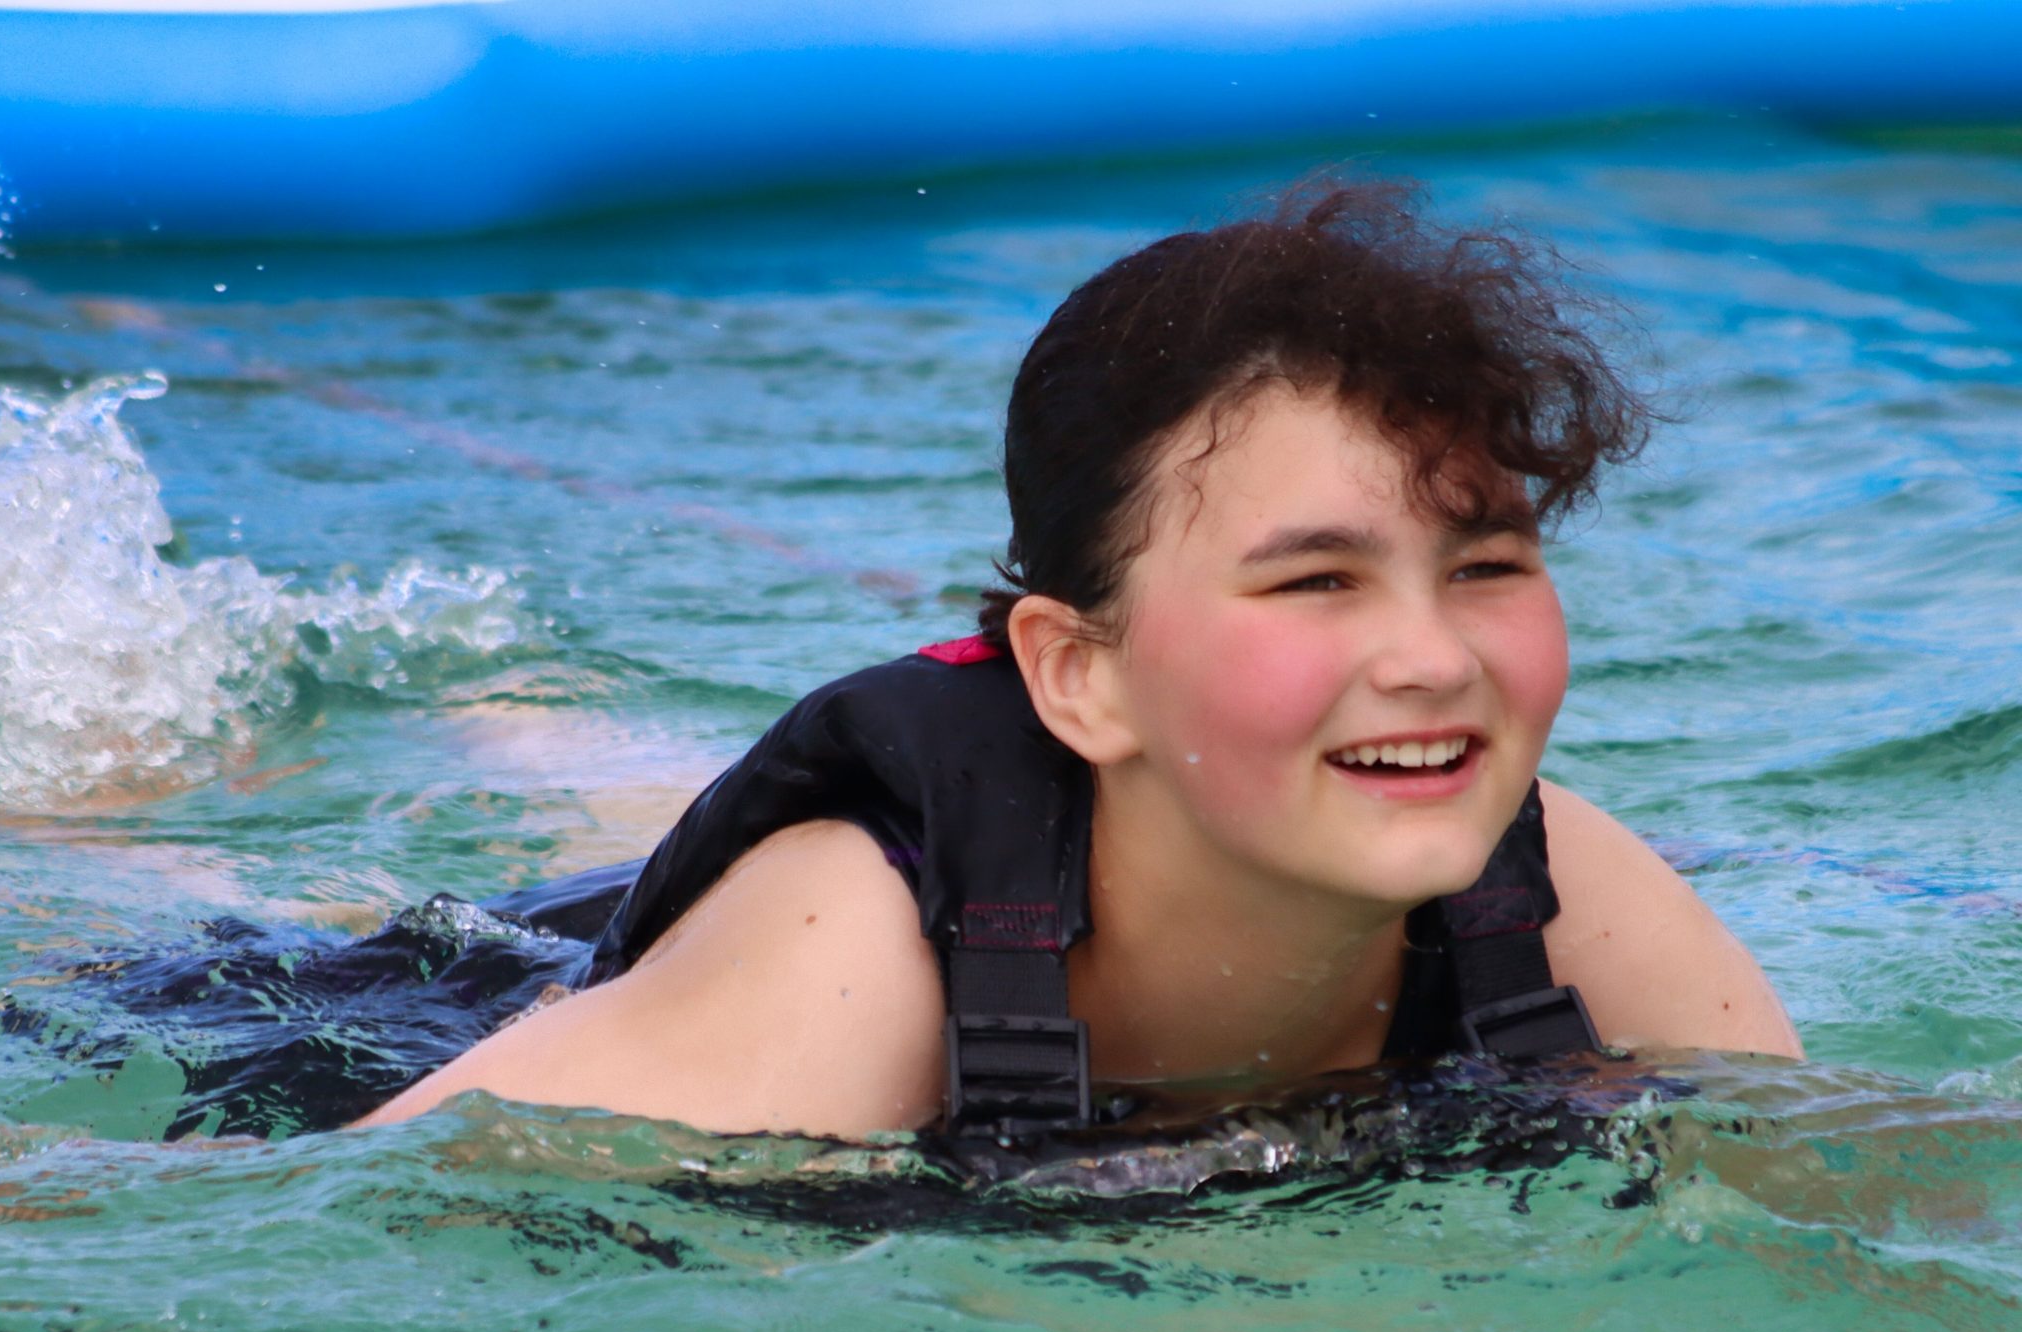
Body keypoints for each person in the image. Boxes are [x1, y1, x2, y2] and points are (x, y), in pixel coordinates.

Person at [355, 181, 1802, 1142]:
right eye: (1316, 580)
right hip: (398, 1007)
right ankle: (473, 724)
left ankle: (535, 729)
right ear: (1078, 674)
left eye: (1485, 567)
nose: (1433, 659)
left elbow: (1864, 1205)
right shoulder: (834, 992)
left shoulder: (1566, 902)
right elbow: (309, 1229)